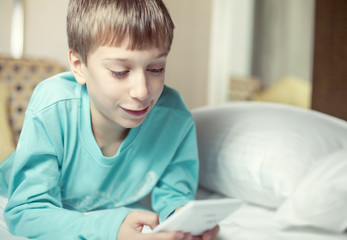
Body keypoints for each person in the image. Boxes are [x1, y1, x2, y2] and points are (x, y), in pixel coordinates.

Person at [0, 0, 219, 239]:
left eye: (156, 68)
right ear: (78, 66)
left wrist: (184, 221)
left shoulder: (174, 119)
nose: (142, 92)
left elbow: (174, 195)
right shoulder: (53, 107)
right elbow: (26, 211)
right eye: (119, 72)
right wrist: (110, 228)